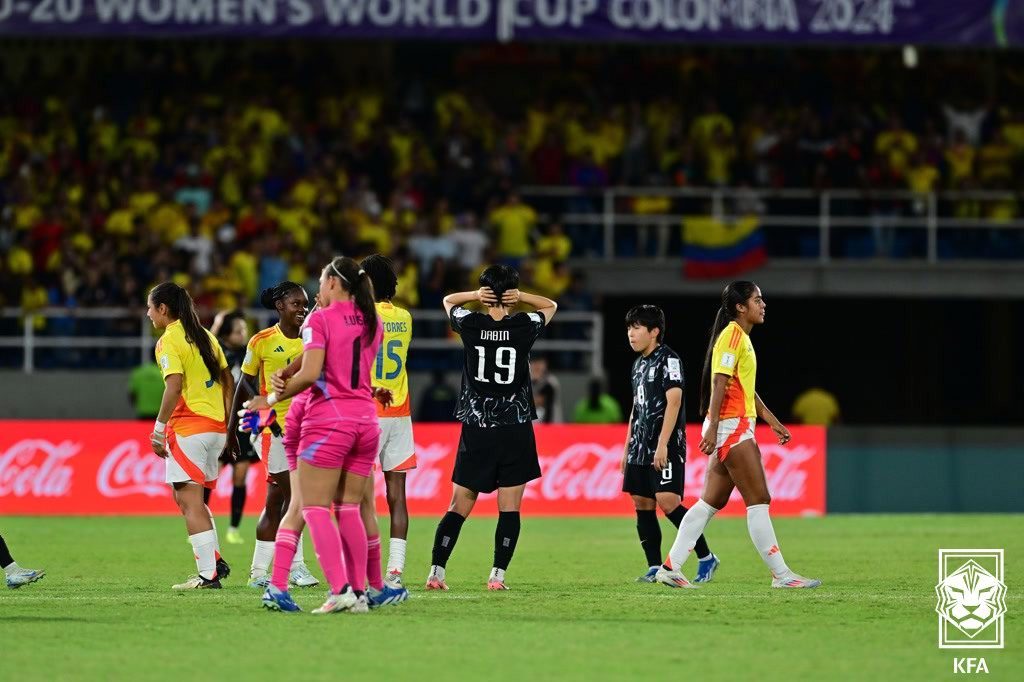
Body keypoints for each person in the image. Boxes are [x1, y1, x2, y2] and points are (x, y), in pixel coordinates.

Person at [656, 282, 821, 590]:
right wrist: (716, 427)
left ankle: (670, 567)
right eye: (757, 299)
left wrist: (771, 421)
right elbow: (719, 383)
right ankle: (782, 575)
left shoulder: (738, 337)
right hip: (731, 427)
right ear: (741, 307)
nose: (763, 304)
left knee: (709, 503)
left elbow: (743, 388)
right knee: (759, 500)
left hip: (730, 425)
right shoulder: (733, 336)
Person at [247, 256, 383, 614]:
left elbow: (311, 373)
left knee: (312, 507)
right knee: (349, 507)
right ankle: (359, 592)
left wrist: (270, 398)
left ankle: (338, 589)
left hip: (326, 421)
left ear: (334, 284)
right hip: (366, 422)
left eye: (322, 281)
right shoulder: (373, 320)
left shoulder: (319, 320)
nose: (318, 289)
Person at [426, 265, 557, 591]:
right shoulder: (524, 326)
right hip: (515, 427)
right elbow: (550, 306)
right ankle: (497, 576)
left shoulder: (470, 323)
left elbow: (447, 301)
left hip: (477, 426)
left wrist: (472, 296)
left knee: (459, 505)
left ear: (485, 294)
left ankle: (436, 572)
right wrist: (522, 297)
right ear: (511, 295)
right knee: (510, 507)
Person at [224, 282, 318, 589]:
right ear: (280, 306)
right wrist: (234, 431)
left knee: (278, 498)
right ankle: (297, 567)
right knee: (294, 498)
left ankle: (259, 573)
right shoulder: (262, 340)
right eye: (296, 304)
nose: (302, 309)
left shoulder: (311, 338)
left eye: (305, 304)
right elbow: (244, 383)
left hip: (307, 425)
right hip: (274, 428)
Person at [147, 282, 234, 590]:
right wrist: (229, 425)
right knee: (189, 500)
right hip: (214, 429)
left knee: (189, 501)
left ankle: (208, 575)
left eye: (150, 307)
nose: (148, 314)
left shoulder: (168, 340)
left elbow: (173, 386)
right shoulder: (206, 335)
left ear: (163, 309)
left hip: (188, 428)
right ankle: (215, 561)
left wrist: (158, 429)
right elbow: (227, 380)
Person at [623, 305, 719, 585]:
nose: (631, 333)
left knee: (668, 501)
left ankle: (706, 557)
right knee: (641, 502)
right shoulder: (638, 364)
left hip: (665, 445)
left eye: (637, 327)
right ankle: (654, 566)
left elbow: (674, 401)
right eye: (629, 328)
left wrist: (663, 444)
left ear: (654, 332)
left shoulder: (669, 359)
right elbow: (636, 408)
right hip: (639, 447)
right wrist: (627, 446)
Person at [360, 254, 415, 593]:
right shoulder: (405, 317)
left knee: (361, 497)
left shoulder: (361, 316)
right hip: (400, 413)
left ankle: (366, 567)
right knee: (397, 495)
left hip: (368, 412)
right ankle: (395, 569)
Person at [209, 309, 255, 542]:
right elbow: (207, 342)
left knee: (241, 472)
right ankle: (203, 523)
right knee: (211, 473)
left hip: (243, 420)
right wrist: (217, 323)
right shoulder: (218, 351)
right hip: (220, 419)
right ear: (227, 333)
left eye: (244, 329)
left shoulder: (250, 351)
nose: (244, 333)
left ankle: (234, 529)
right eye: (239, 330)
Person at [530, 355, 562, 424]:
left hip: (549, 421)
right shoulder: (525, 380)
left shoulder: (550, 381)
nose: (537, 366)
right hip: (531, 422)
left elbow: (544, 401)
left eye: (540, 364)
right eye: (535, 363)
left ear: (545, 365)